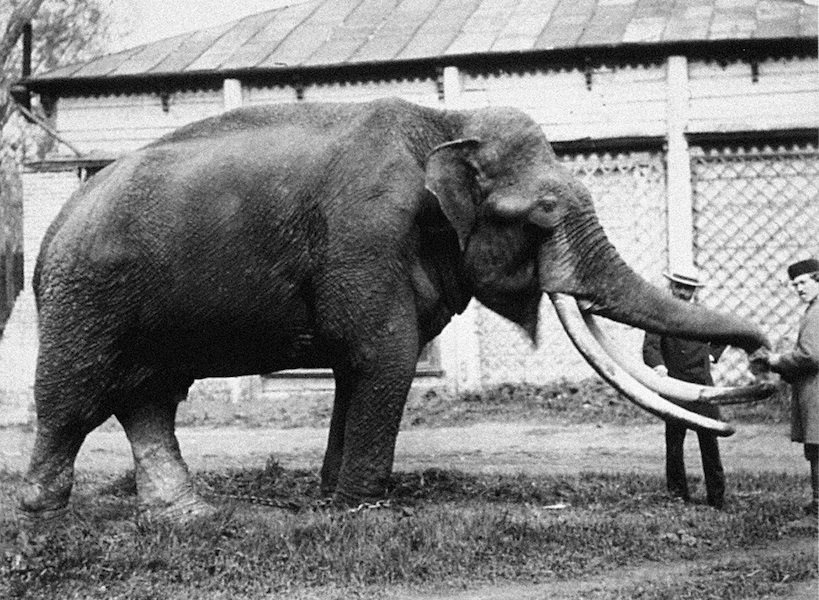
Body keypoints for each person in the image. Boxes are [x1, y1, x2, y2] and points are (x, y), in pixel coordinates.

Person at [642, 269, 726, 508]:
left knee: (709, 441)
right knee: (675, 442)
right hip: (675, 386)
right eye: (678, 287)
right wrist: (658, 366)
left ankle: (717, 498)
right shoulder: (660, 315)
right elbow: (650, 346)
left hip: (701, 387)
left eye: (688, 288)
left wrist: (712, 355)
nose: (682, 292)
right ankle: (677, 494)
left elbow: (726, 334)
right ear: (671, 287)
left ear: (695, 291)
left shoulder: (704, 315)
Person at [751, 257, 819, 517]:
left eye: (803, 282)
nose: (799, 289)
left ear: (817, 279)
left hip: (815, 390)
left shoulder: (816, 312)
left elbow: (810, 356)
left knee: (816, 447)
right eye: (795, 285)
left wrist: (777, 360)